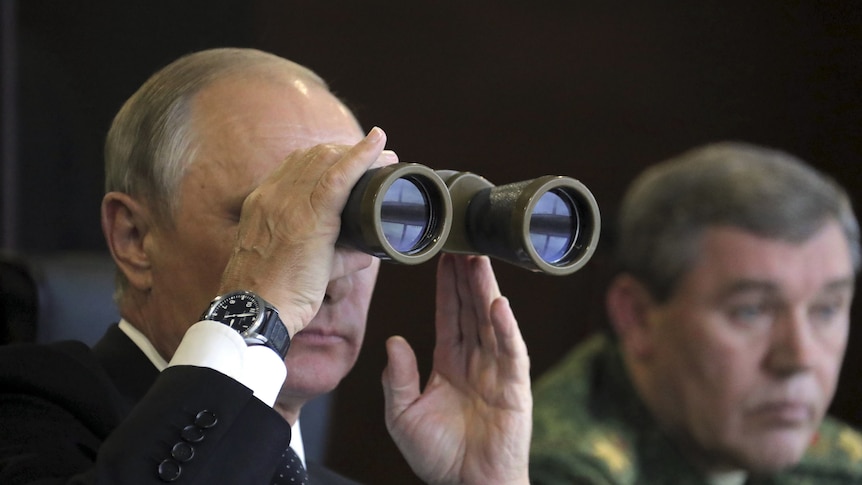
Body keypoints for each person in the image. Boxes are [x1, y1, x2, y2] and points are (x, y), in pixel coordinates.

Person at [0, 48, 531, 484]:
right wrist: (259, 314)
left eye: (357, 229)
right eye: (278, 222)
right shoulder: (25, 418)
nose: (330, 281)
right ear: (134, 237)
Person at [530, 142, 862, 484]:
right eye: (751, 311)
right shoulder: (559, 471)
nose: (799, 357)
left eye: (826, 310)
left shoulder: (841, 468)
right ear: (638, 317)